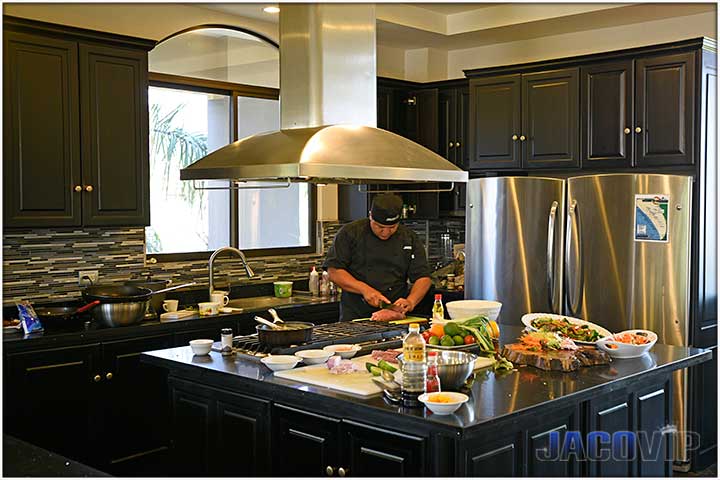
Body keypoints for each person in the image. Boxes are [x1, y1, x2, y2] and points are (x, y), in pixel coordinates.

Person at [324, 193, 432, 321]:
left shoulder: (409, 237)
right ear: (370, 216)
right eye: (380, 227)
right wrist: (364, 289)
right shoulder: (350, 233)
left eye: (392, 227)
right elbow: (334, 271)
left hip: (395, 316)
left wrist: (411, 301)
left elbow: (423, 277)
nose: (385, 232)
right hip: (355, 313)